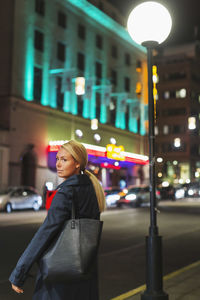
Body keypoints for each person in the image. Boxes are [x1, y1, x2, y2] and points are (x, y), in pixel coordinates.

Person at [9, 140, 106, 299]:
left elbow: (45, 233)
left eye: (64, 160)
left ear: (77, 163)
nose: (58, 164)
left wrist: (19, 273)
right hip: (85, 270)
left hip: (60, 276)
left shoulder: (66, 193)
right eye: (57, 159)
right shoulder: (92, 190)